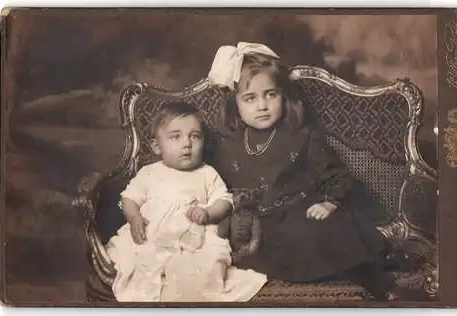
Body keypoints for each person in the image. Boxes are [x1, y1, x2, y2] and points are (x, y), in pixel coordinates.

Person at [207, 42, 400, 301]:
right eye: (250, 98)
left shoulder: (301, 135)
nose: (262, 105)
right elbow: (212, 184)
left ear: (283, 97)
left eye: (270, 95)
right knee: (242, 247)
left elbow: (336, 175)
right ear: (235, 104)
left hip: (299, 215)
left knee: (328, 227)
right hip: (260, 227)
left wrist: (329, 203)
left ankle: (376, 281)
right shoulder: (227, 144)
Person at [104, 101, 267, 302]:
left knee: (201, 268)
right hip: (153, 234)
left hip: (194, 238)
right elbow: (129, 198)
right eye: (175, 137)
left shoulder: (206, 173)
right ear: (156, 146)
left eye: (195, 136)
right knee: (136, 261)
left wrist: (208, 213)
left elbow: (225, 201)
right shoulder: (149, 173)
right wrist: (134, 217)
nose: (187, 144)